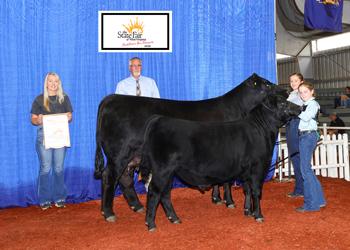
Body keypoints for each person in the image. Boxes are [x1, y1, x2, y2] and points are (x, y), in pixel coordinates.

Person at [30, 73, 73, 210]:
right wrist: (38, 120)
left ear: (59, 83)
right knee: (45, 168)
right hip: (44, 135)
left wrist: (69, 117)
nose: (53, 84)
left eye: (56, 81)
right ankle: (44, 200)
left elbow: (69, 117)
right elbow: (33, 119)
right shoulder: (39, 99)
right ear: (46, 83)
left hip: (60, 134)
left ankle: (60, 198)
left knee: (59, 168)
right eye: (50, 81)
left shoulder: (64, 98)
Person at [296, 82, 326, 212]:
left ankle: (311, 204)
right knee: (307, 170)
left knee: (305, 170)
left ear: (312, 91)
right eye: (301, 92)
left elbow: (307, 118)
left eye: (305, 92)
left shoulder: (312, 104)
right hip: (306, 136)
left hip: (308, 136)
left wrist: (295, 110)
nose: (303, 94)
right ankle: (319, 200)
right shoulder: (307, 104)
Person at [286, 73, 304, 198]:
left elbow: (287, 109)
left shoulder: (300, 94)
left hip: (295, 123)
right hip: (290, 124)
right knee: (295, 157)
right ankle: (300, 188)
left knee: (296, 157)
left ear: (301, 81)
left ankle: (301, 189)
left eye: (296, 80)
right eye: (291, 81)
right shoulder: (292, 94)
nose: (293, 83)